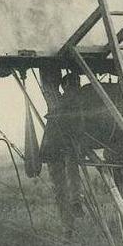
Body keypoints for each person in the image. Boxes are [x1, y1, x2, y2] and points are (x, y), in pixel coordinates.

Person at [40, 71, 84, 235]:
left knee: (60, 188)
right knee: (72, 177)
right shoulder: (79, 100)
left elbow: (47, 87)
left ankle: (68, 227)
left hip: (55, 147)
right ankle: (76, 203)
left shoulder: (56, 100)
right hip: (66, 147)